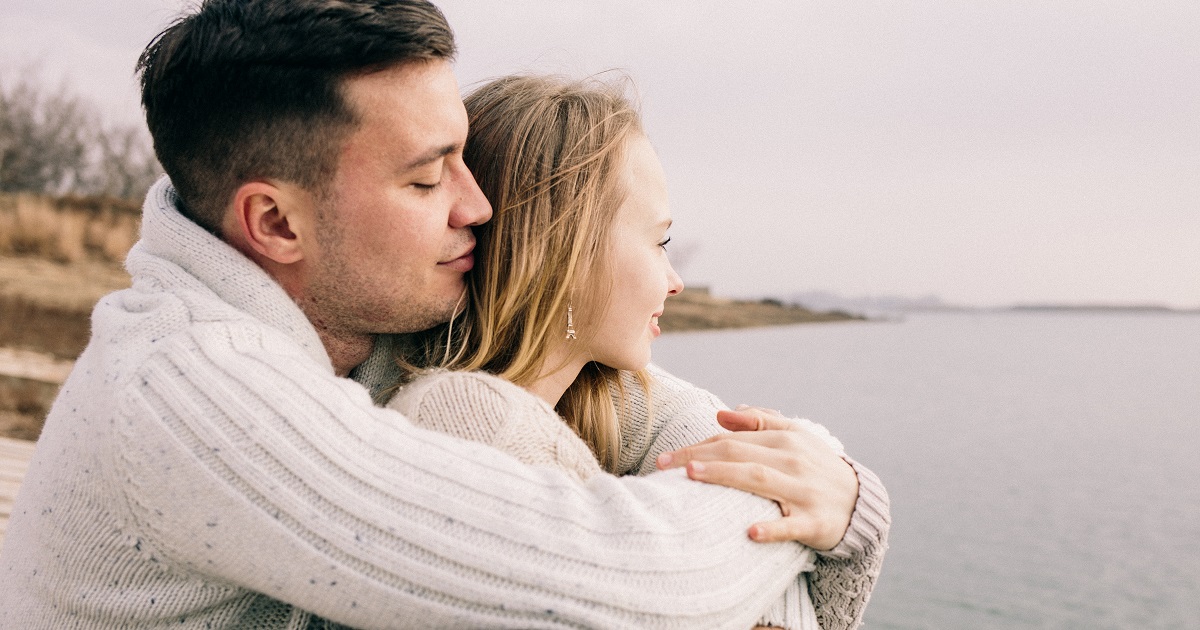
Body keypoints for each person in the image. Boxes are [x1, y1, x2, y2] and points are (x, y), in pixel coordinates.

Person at [0, 1, 889, 628]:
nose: (479, 206)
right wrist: (796, 506)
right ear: (274, 223)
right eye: (426, 179)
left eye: (464, 160)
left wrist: (838, 482)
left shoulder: (362, 323)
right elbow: (620, 589)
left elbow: (670, 413)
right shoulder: (192, 394)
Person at [382, 74, 874, 629]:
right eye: (659, 242)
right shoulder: (466, 424)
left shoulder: (603, 406)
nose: (676, 281)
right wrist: (822, 489)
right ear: (562, 254)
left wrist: (843, 497)